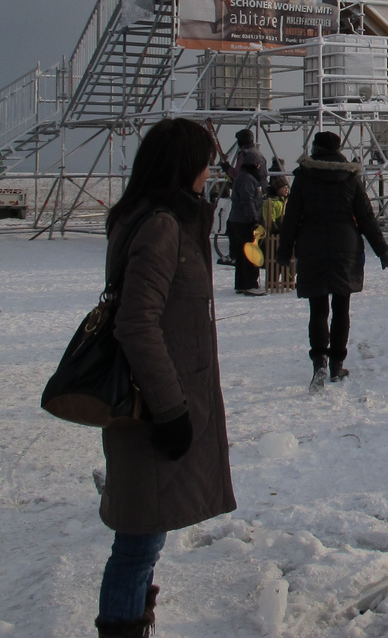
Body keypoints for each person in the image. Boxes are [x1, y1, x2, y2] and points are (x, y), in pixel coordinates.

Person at [95, 118, 235, 637]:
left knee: (144, 537)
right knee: (136, 543)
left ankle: (135, 620)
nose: (210, 171)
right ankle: (124, 626)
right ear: (183, 167)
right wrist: (171, 408)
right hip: (154, 404)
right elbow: (137, 321)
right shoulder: (160, 226)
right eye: (205, 160)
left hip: (159, 397)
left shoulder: (153, 217)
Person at [277, 131, 388, 388]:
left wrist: (284, 252)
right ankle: (337, 365)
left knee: (318, 309)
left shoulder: (304, 177)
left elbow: (292, 217)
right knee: (342, 309)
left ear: (316, 148)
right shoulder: (350, 178)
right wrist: (382, 250)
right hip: (345, 246)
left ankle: (319, 362)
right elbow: (365, 217)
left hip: (312, 245)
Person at [227, 156, 265, 295]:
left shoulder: (244, 177)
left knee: (242, 253)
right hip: (245, 220)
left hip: (238, 220)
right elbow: (248, 200)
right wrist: (254, 219)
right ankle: (250, 284)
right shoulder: (248, 179)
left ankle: (241, 284)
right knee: (251, 252)